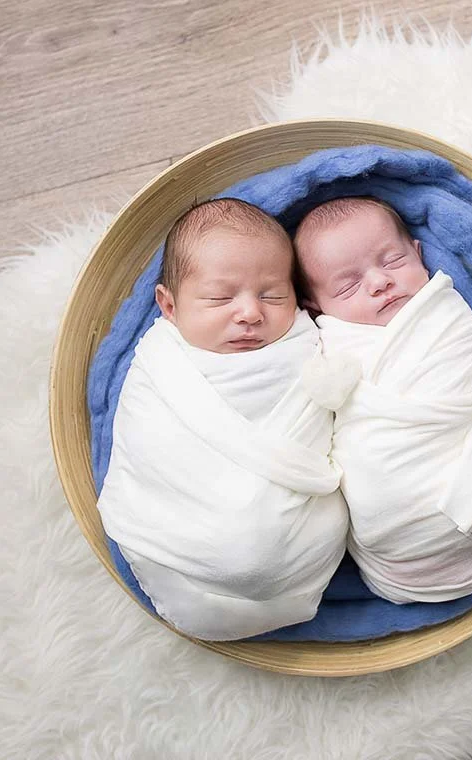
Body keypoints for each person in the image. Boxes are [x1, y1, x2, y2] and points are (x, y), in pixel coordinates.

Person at [97, 198, 348, 640]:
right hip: (186, 540)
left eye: (273, 295)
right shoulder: (161, 364)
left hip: (303, 545)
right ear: (169, 307)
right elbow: (149, 444)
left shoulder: (308, 341)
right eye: (219, 297)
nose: (251, 313)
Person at [293, 196, 472, 604]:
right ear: (316, 307)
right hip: (393, 505)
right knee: (373, 484)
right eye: (349, 285)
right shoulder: (328, 339)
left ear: (419, 254)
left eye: (392, 261)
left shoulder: (442, 304)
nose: (378, 282)